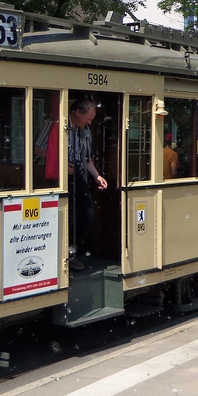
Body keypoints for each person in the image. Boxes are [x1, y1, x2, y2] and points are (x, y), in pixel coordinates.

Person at [68, 96, 108, 270]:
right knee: (66, 215)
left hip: (78, 177)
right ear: (77, 112)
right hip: (56, 180)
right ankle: (66, 256)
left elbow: (87, 158)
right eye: (88, 118)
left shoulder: (84, 131)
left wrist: (97, 176)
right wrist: (60, 164)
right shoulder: (56, 125)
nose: (90, 123)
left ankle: (72, 251)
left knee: (86, 214)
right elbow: (39, 148)